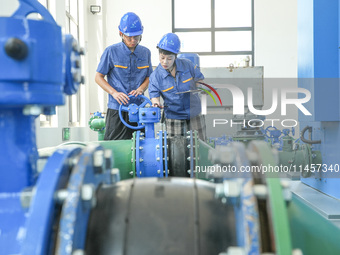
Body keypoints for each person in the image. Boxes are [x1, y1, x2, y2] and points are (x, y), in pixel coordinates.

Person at [95, 12, 153, 140]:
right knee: (112, 149)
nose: (133, 41)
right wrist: (114, 93)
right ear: (121, 34)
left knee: (141, 149)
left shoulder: (146, 53)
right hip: (117, 109)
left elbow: (149, 77)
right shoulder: (111, 52)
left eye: (136, 37)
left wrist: (141, 89)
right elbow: (98, 77)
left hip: (139, 109)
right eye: (129, 37)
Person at [148, 33, 207, 141]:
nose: (165, 62)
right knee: (177, 151)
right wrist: (156, 104)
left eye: (169, 59)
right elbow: (154, 96)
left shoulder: (187, 65)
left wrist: (202, 88)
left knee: (200, 145)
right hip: (174, 116)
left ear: (176, 56)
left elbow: (199, 80)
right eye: (162, 58)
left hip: (194, 112)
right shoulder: (155, 76)